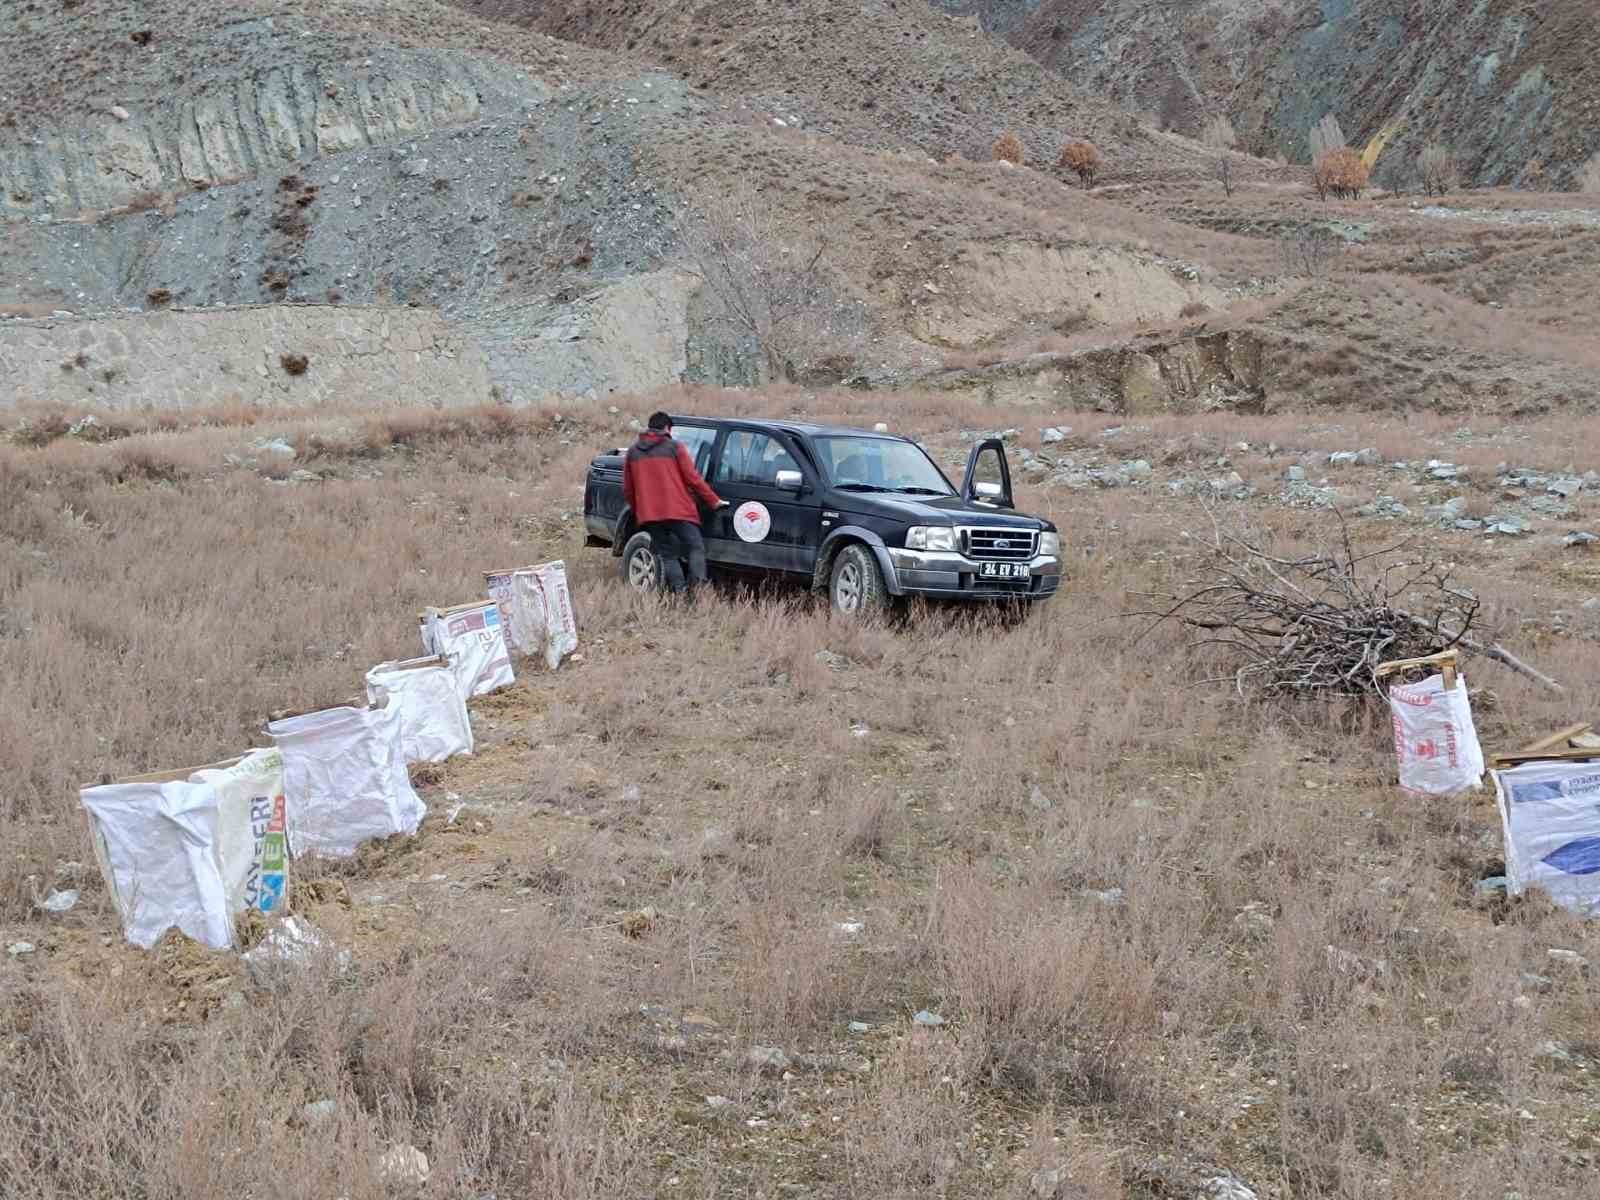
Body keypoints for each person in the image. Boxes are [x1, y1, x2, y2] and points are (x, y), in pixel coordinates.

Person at [622, 412, 726, 594]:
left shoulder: (633, 452)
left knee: (667, 555)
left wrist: (641, 511)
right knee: (695, 547)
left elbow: (629, 490)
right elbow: (693, 479)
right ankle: (698, 590)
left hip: (650, 515)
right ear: (667, 428)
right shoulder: (674, 447)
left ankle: (680, 592)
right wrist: (713, 501)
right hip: (678, 511)